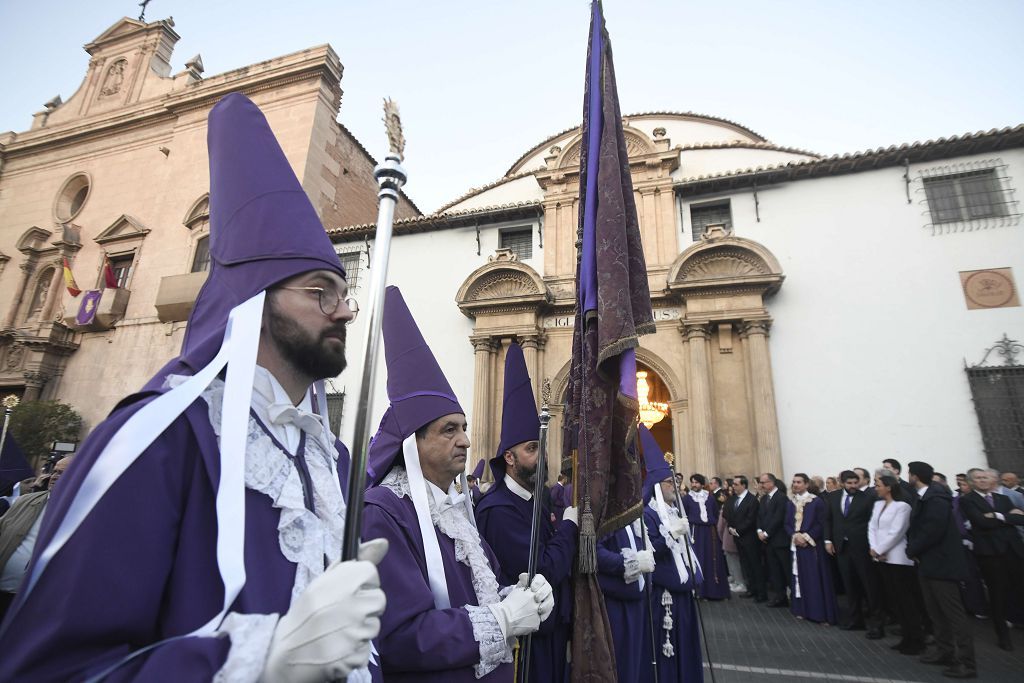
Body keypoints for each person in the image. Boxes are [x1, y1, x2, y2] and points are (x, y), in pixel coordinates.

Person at [0, 94, 387, 682]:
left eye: (343, 292)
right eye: (321, 292)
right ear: (256, 302)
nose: (345, 311)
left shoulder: (330, 459)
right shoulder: (156, 440)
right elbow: (48, 670)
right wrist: (261, 662)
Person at [362, 288, 550, 682]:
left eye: (464, 428)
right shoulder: (385, 513)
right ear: (413, 444)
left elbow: (481, 592)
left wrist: (517, 595)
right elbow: (398, 637)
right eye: (449, 430)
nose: (465, 440)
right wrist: (500, 618)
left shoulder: (454, 509)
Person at [475, 343, 578, 682]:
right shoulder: (499, 510)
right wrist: (568, 528)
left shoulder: (538, 499)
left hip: (552, 633)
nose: (541, 455)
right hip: (525, 646)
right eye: (532, 448)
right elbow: (542, 570)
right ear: (509, 457)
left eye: (540, 446)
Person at [639, 426, 703, 683]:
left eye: (676, 482)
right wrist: (671, 535)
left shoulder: (675, 511)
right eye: (669, 483)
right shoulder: (649, 514)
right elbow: (651, 548)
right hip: (662, 595)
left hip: (683, 594)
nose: (675, 486)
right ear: (656, 486)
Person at [906, 461, 975, 679]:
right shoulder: (926, 496)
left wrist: (912, 548)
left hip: (942, 563)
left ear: (915, 476)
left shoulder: (936, 498)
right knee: (935, 612)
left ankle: (967, 662)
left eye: (910, 474)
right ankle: (944, 651)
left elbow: (931, 530)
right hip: (928, 562)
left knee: (953, 614)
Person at [957, 468, 1024, 651]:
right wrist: (1007, 518)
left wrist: (997, 515)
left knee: (1019, 589)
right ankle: (1003, 636)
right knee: (997, 594)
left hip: (1013, 551)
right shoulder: (967, 500)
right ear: (972, 482)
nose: (983, 481)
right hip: (990, 554)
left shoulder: (1003, 499)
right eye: (978, 478)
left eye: (985, 477)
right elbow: (981, 522)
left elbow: (1020, 520)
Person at [0, 456, 72, 622]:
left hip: (37, 603)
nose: (54, 476)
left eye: (62, 473)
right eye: (54, 471)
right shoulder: (25, 501)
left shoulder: (81, 512)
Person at [868, 471, 925, 654]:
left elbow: (897, 531)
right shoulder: (877, 505)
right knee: (894, 600)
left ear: (888, 487)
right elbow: (872, 527)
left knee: (906, 600)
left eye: (878, 485)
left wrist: (880, 549)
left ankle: (916, 639)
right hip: (880, 557)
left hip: (898, 558)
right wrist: (874, 549)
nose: (876, 488)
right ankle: (905, 638)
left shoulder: (902, 506)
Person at [597, 514, 655, 683]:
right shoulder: (604, 511)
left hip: (639, 603)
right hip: (614, 606)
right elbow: (592, 551)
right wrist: (629, 562)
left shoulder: (631, 512)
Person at [825, 470, 882, 637]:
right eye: (849, 483)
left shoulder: (868, 498)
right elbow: (828, 519)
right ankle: (855, 619)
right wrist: (828, 540)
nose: (853, 486)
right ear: (842, 483)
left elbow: (874, 522)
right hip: (842, 547)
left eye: (855, 483)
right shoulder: (833, 497)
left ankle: (877, 623)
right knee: (850, 585)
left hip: (862, 548)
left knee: (869, 586)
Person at [785, 473, 838, 624]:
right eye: (794, 482)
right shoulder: (791, 503)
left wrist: (806, 537)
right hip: (797, 544)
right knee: (799, 578)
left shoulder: (816, 502)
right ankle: (802, 609)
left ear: (807, 484)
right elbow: (787, 523)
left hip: (812, 546)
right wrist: (794, 535)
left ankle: (819, 612)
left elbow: (822, 524)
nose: (795, 485)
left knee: (814, 578)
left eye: (799, 482)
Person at [682, 473, 729, 600]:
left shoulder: (710, 497)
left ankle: (715, 591)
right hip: (695, 532)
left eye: (696, 482)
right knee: (698, 558)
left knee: (712, 559)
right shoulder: (687, 499)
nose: (694, 485)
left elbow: (714, 512)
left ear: (702, 484)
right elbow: (684, 514)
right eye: (692, 482)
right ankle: (699, 591)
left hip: (710, 532)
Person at [724, 475, 765, 601]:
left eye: (736, 484)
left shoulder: (751, 500)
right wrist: (731, 527)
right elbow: (727, 514)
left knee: (755, 565)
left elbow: (751, 518)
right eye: (733, 484)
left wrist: (738, 529)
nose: (733, 487)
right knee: (745, 565)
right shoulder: (733, 499)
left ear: (743, 485)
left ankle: (761, 593)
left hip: (750, 537)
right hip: (737, 537)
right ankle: (750, 588)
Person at [756, 473, 790, 607]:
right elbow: (759, 516)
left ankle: (792, 595)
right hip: (767, 541)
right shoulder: (764, 499)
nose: (762, 485)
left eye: (763, 483)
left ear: (771, 483)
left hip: (779, 540)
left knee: (785, 569)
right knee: (774, 570)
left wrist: (766, 533)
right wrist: (759, 530)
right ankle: (779, 596)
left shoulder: (781, 498)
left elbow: (779, 518)